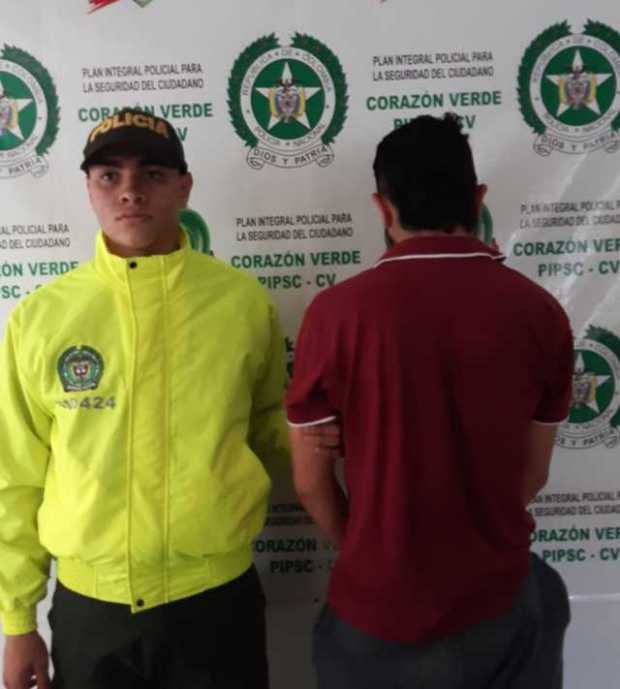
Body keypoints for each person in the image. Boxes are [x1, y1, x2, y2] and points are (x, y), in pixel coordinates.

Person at [0, 108, 296, 689]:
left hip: (216, 604)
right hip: (92, 612)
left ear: (184, 187)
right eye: (110, 175)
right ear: (88, 189)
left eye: (153, 175)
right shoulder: (40, 318)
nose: (130, 191)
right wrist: (16, 620)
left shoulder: (241, 303)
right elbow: (16, 475)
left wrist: (346, 429)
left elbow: (270, 426)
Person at [286, 113, 574, 689]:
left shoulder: (335, 314)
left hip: (377, 612)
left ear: (382, 208)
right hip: (498, 602)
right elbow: (534, 473)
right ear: (478, 199)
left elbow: (310, 482)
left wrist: (365, 548)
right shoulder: (539, 311)